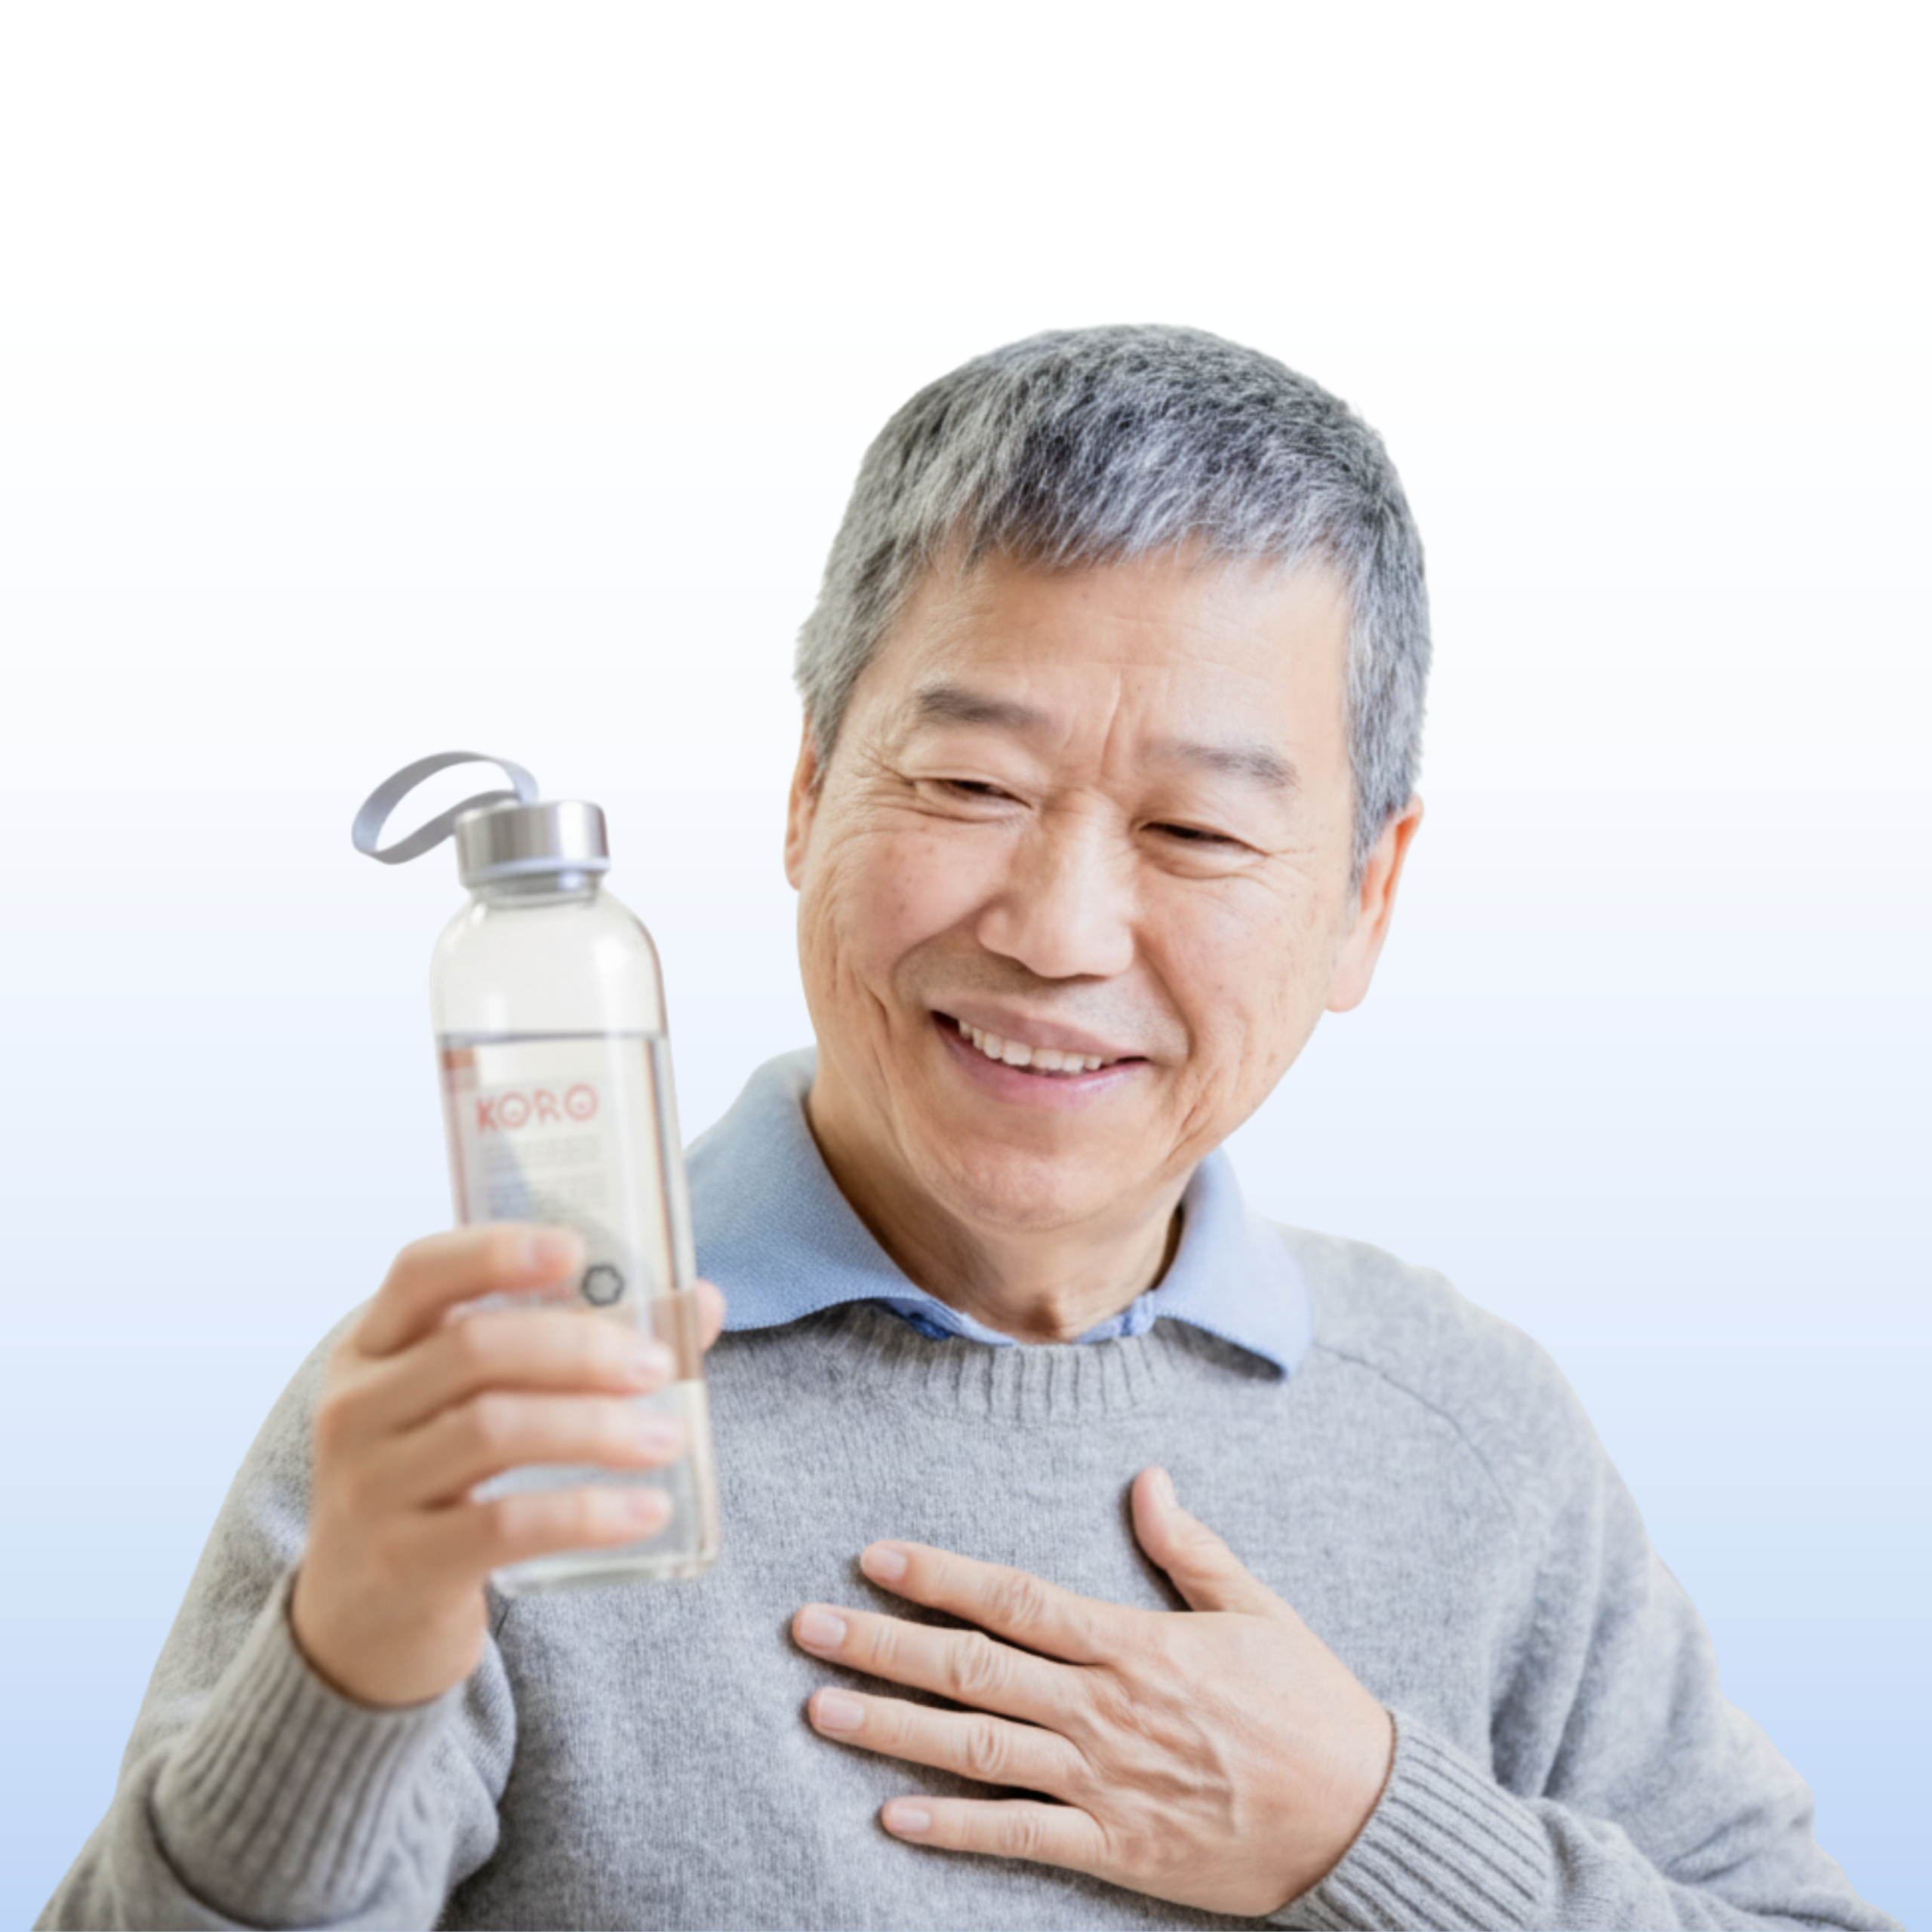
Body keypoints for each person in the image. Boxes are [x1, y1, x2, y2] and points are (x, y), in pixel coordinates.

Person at [41, 326, 1897, 1930]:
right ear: (804, 789)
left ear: (1366, 898)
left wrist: (1366, 1825)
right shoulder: (501, 1420)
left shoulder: (1472, 1434)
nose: (1057, 928)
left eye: (1194, 830)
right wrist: (350, 1658)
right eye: (968, 781)